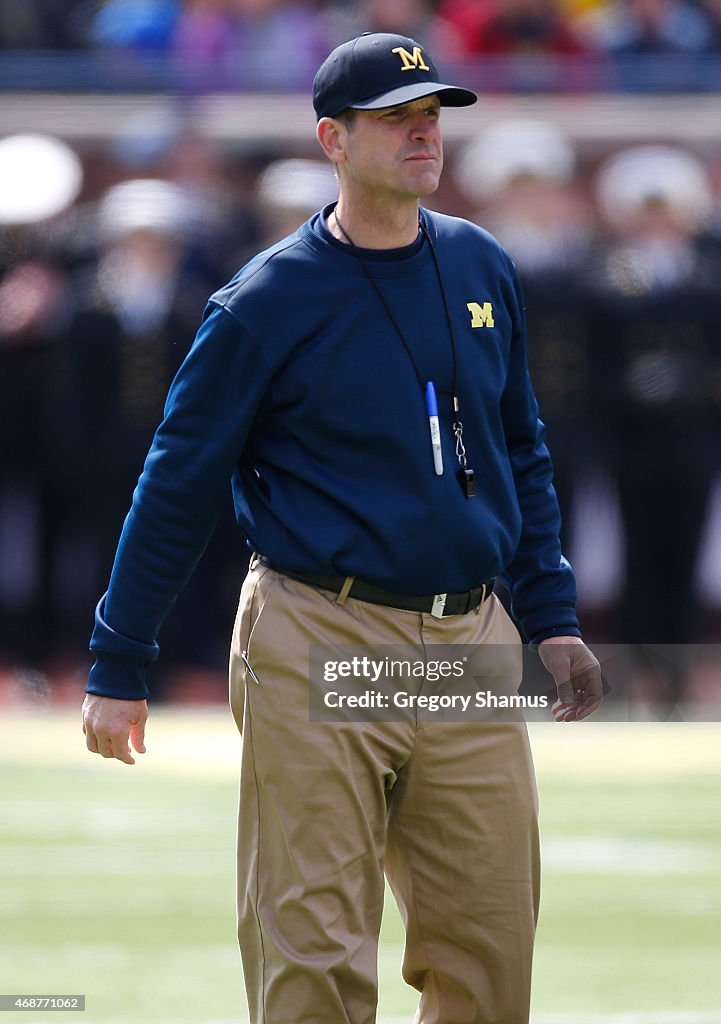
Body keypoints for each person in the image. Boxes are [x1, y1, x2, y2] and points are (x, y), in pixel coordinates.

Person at [82, 31, 603, 1024]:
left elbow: (517, 452)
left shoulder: (480, 263)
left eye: (431, 113)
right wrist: (118, 659)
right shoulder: (264, 300)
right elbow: (177, 481)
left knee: (489, 948)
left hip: (467, 640)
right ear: (332, 138)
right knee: (312, 955)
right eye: (395, 117)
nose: (423, 133)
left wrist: (553, 615)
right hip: (323, 628)